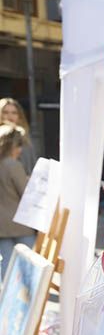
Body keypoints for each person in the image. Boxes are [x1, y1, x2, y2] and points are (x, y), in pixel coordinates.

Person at [0, 124, 36, 267]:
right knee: (28, 265)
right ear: (12, 145)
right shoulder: (13, 165)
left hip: (2, 227)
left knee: (7, 268)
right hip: (20, 224)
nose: (20, 150)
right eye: (19, 145)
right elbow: (26, 194)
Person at [0, 98, 35, 175]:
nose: (10, 116)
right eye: (5, 112)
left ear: (19, 116)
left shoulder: (25, 137)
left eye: (14, 113)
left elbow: (31, 165)